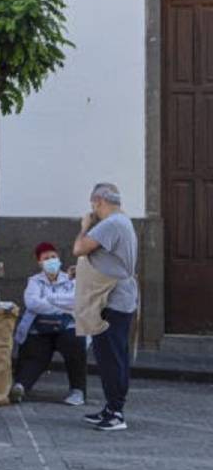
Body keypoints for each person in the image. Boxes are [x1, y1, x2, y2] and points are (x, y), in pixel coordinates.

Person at [73, 182, 138, 431]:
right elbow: (107, 260)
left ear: (99, 201)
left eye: (93, 205)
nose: (93, 209)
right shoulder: (124, 221)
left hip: (111, 299)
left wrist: (85, 227)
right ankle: (111, 408)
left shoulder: (110, 224)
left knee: (110, 357)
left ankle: (116, 413)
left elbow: (80, 248)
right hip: (121, 297)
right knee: (115, 355)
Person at [9, 242, 86, 406]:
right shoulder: (34, 282)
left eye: (54, 257)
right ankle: (21, 386)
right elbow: (32, 303)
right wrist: (60, 306)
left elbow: (76, 300)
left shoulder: (70, 279)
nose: (51, 260)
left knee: (75, 344)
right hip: (40, 327)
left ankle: (77, 390)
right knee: (36, 354)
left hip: (66, 327)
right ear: (40, 263)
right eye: (46, 258)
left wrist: (50, 301)